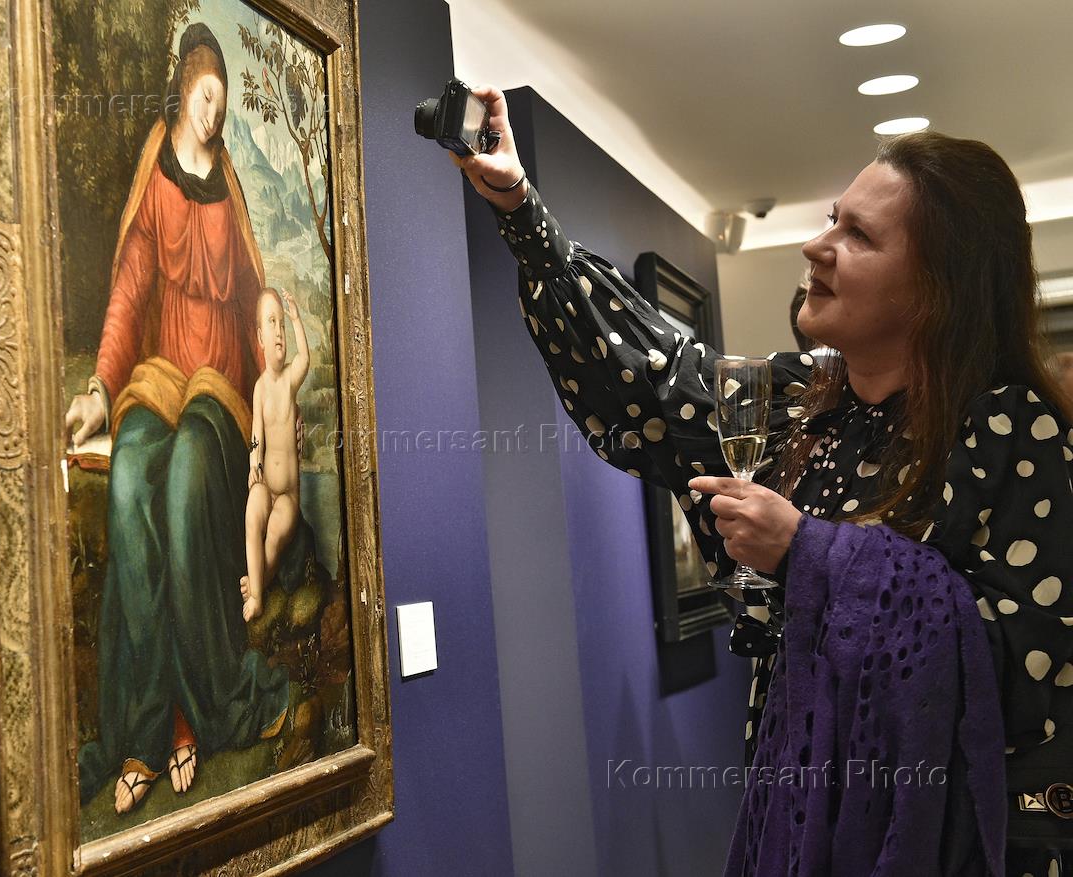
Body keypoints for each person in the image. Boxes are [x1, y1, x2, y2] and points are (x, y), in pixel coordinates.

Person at [454, 84, 1073, 874]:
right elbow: (650, 376)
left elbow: (1017, 672)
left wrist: (811, 553)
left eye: (858, 234)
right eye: (832, 219)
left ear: (935, 288)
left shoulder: (1011, 428)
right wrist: (520, 205)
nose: (817, 246)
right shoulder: (801, 403)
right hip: (803, 823)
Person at [65, 24, 289, 815]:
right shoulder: (155, 167)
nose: (213, 112)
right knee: (131, 479)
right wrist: (100, 386)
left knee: (190, 472)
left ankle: (206, 706)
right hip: (159, 373)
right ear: (186, 88)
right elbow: (129, 290)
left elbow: (252, 298)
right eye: (206, 95)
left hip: (218, 385)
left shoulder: (228, 183)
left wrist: (271, 404)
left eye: (222, 102)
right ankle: (147, 728)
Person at [241, 288, 309, 622]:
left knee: (274, 535)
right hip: (268, 486)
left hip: (288, 497)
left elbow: (305, 359)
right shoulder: (260, 388)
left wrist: (296, 319)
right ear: (260, 338)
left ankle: (257, 588)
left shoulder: (289, 381)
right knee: (253, 511)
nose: (279, 331)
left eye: (281, 323)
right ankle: (257, 590)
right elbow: (257, 436)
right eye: (273, 322)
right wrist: (254, 466)